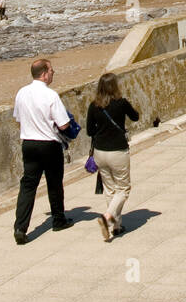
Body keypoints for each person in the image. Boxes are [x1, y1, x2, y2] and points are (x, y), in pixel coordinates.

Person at [12, 58, 75, 244]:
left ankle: (20, 227)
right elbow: (63, 124)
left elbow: (18, 119)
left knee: (28, 186)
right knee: (54, 183)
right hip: (49, 144)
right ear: (44, 74)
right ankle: (58, 219)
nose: (53, 73)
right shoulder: (51, 95)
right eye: (52, 71)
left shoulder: (21, 93)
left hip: (29, 144)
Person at [86, 71, 140, 241]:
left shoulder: (94, 105)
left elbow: (89, 131)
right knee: (123, 189)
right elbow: (135, 117)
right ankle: (108, 216)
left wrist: (101, 129)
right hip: (117, 151)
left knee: (110, 189)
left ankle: (115, 227)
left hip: (100, 152)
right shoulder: (121, 103)